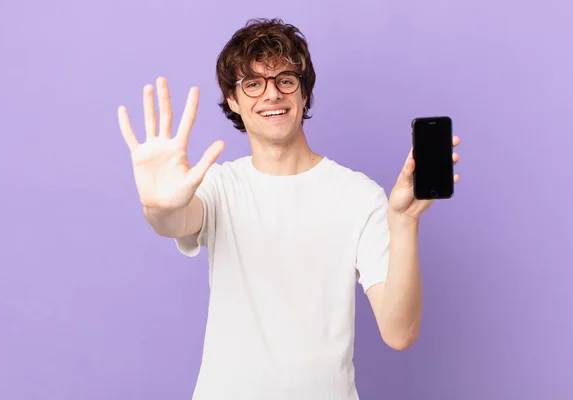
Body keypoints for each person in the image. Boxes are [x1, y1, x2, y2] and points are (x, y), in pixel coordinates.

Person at [118, 18, 460, 400]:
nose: (271, 94)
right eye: (253, 83)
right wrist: (158, 206)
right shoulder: (218, 187)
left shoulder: (358, 196)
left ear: (304, 93)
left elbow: (399, 333)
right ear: (233, 100)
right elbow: (176, 220)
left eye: (285, 79)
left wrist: (405, 221)